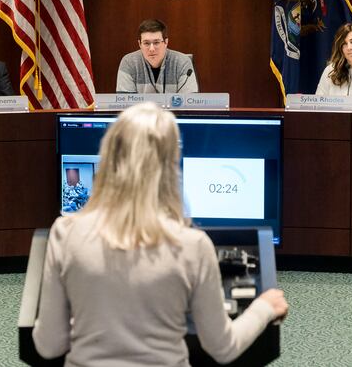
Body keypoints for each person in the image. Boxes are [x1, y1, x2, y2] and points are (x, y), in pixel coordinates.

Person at [33, 103, 288, 366]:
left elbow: (48, 345)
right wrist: (264, 307)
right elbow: (223, 347)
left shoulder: (65, 234)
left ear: (108, 156)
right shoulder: (193, 245)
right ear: (170, 165)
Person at [116, 19, 198, 93]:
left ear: (166, 42)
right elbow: (125, 105)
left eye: (156, 43)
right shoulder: (128, 63)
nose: (151, 49)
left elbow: (189, 104)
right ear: (139, 44)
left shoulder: (183, 62)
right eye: (146, 43)